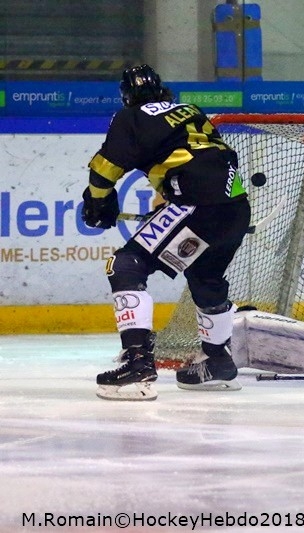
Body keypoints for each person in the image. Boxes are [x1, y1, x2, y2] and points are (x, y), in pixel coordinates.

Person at [82, 64, 251, 401]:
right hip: (234, 207)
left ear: (126, 94)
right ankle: (217, 362)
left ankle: (137, 365)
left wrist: (98, 203)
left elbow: (105, 168)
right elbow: (196, 160)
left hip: (195, 204)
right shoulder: (189, 110)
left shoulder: (129, 116)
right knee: (206, 277)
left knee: (126, 265)